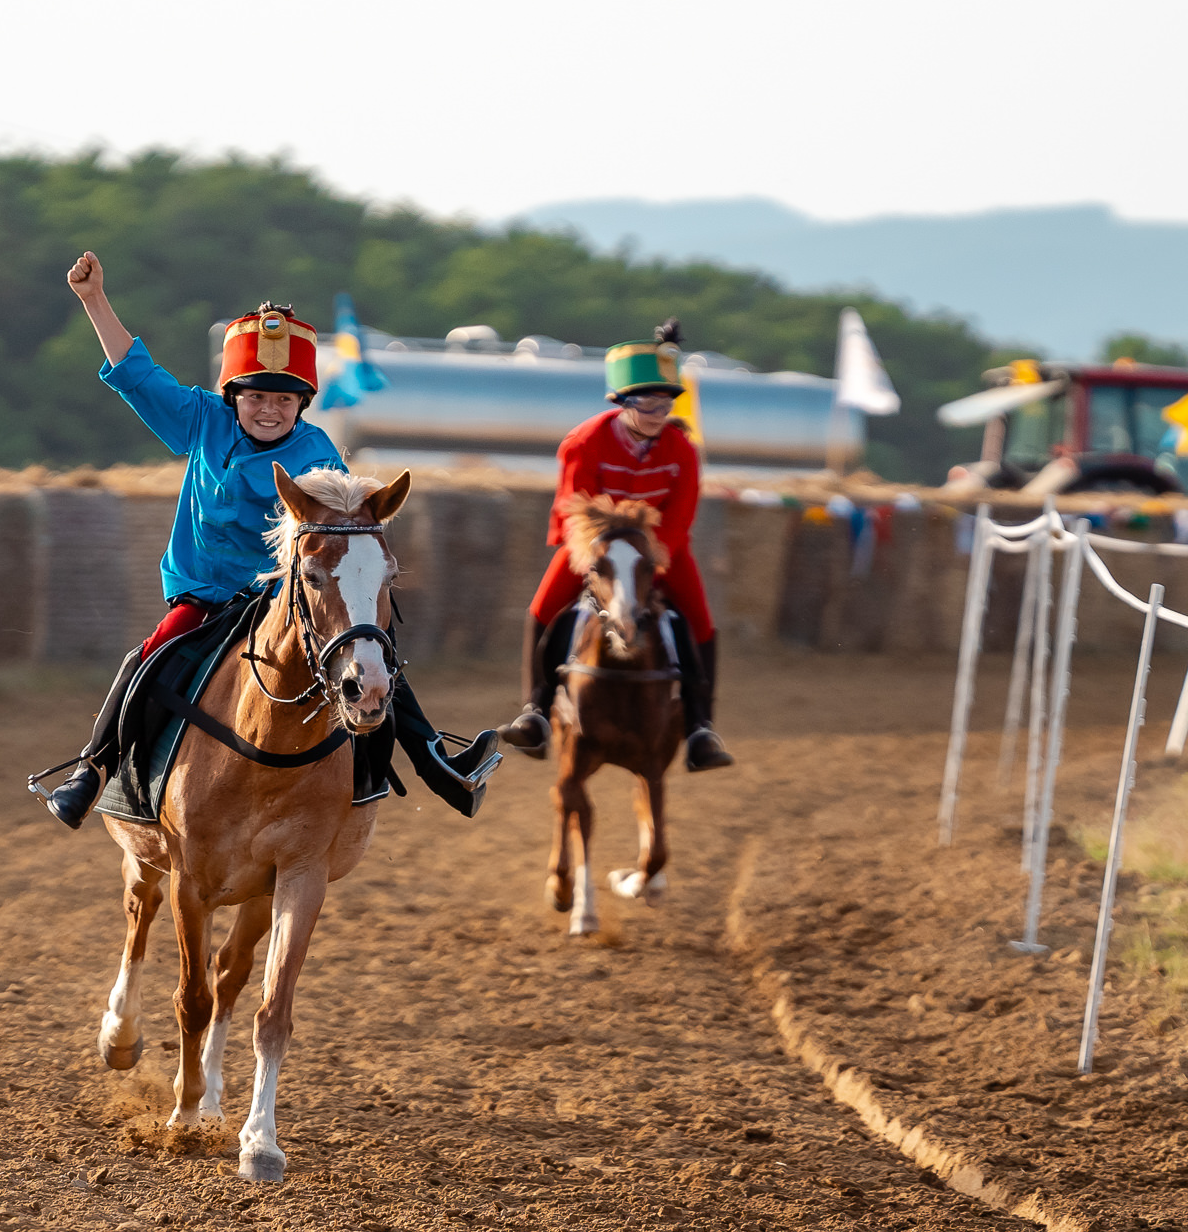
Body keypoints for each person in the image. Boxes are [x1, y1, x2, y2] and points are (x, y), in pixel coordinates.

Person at [38, 251, 500, 829]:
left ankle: (438, 764)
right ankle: (92, 770)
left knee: (374, 657)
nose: (269, 409)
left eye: (283, 399)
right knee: (148, 658)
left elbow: (341, 528)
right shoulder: (201, 420)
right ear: (233, 396)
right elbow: (137, 374)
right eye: (256, 396)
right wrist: (93, 300)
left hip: (282, 597)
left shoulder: (316, 451)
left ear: (301, 404)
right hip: (204, 593)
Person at [500, 320, 734, 772]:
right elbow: (576, 509)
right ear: (621, 401)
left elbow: (681, 515)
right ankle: (534, 712)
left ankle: (702, 728)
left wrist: (648, 562)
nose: (657, 410)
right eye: (646, 401)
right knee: (541, 610)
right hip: (594, 549)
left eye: (665, 400)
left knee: (702, 623)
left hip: (660, 551)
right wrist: (606, 561)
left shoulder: (682, 449)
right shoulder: (583, 442)